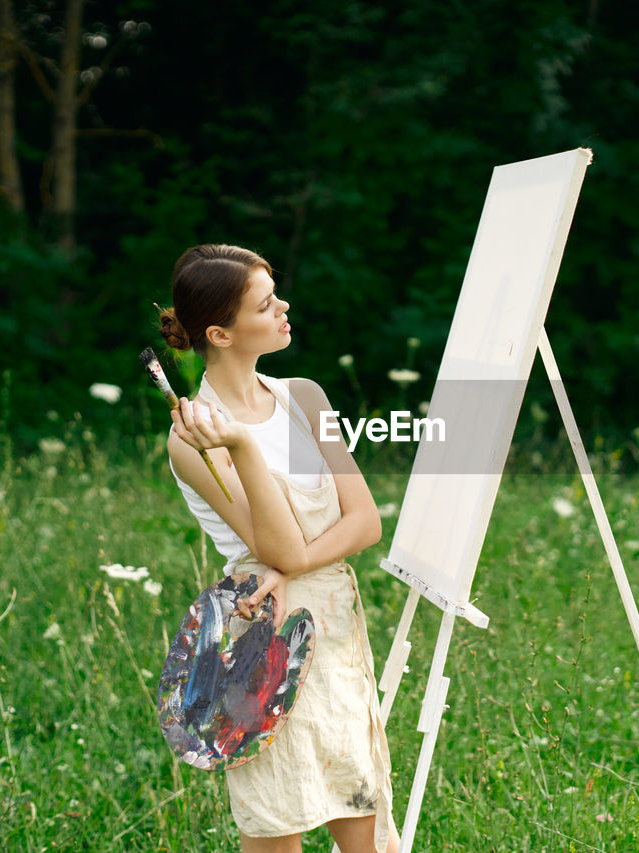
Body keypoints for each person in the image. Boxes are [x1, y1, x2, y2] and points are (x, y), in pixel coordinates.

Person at [157, 243, 397, 853]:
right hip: (264, 637)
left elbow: (365, 522)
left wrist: (295, 564)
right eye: (266, 304)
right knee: (274, 823)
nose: (284, 306)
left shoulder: (306, 398)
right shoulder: (194, 440)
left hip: (336, 629)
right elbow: (280, 546)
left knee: (361, 815)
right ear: (221, 332)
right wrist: (239, 445)